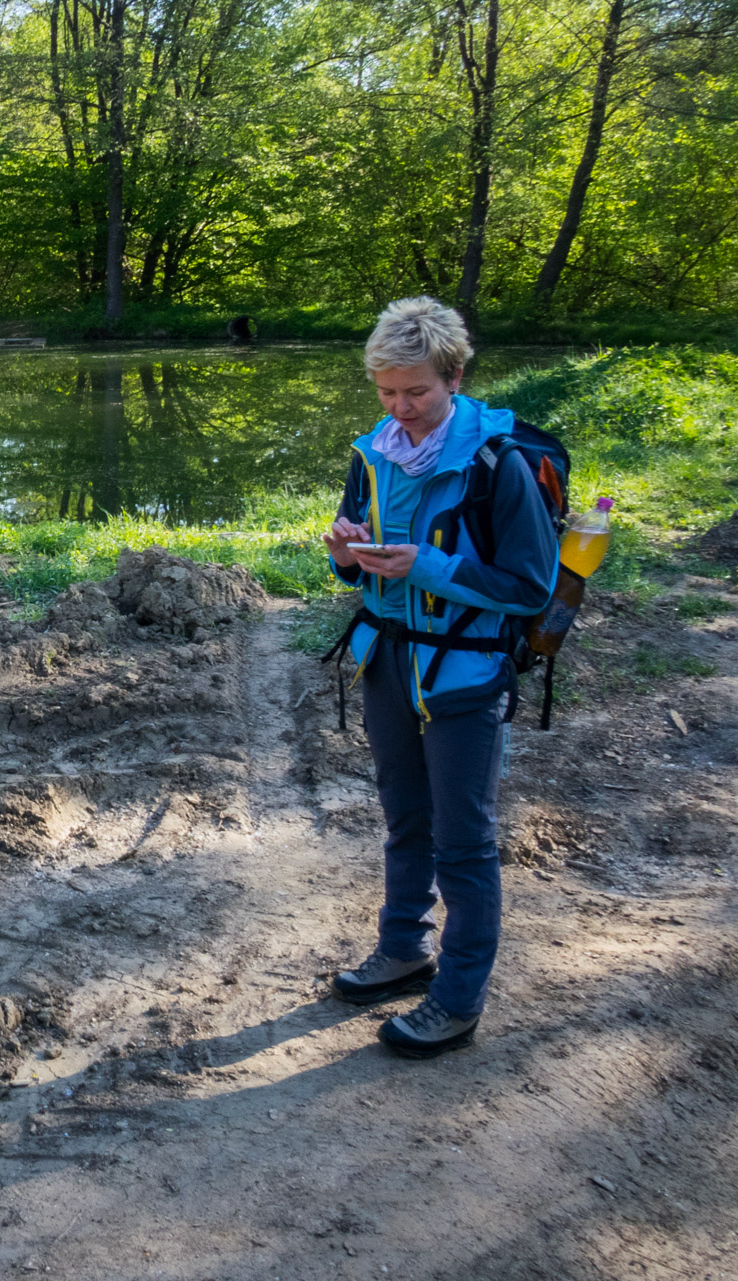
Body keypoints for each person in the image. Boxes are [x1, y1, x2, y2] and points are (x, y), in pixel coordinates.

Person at [319, 297, 558, 1058]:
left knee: (464, 840)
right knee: (404, 819)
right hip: (389, 658)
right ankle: (403, 948)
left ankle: (456, 998)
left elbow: (528, 587)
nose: (401, 408)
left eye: (416, 392)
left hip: (466, 670)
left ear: (455, 376)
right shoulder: (374, 453)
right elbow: (349, 557)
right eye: (387, 392)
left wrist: (429, 565)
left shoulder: (499, 464)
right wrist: (346, 549)